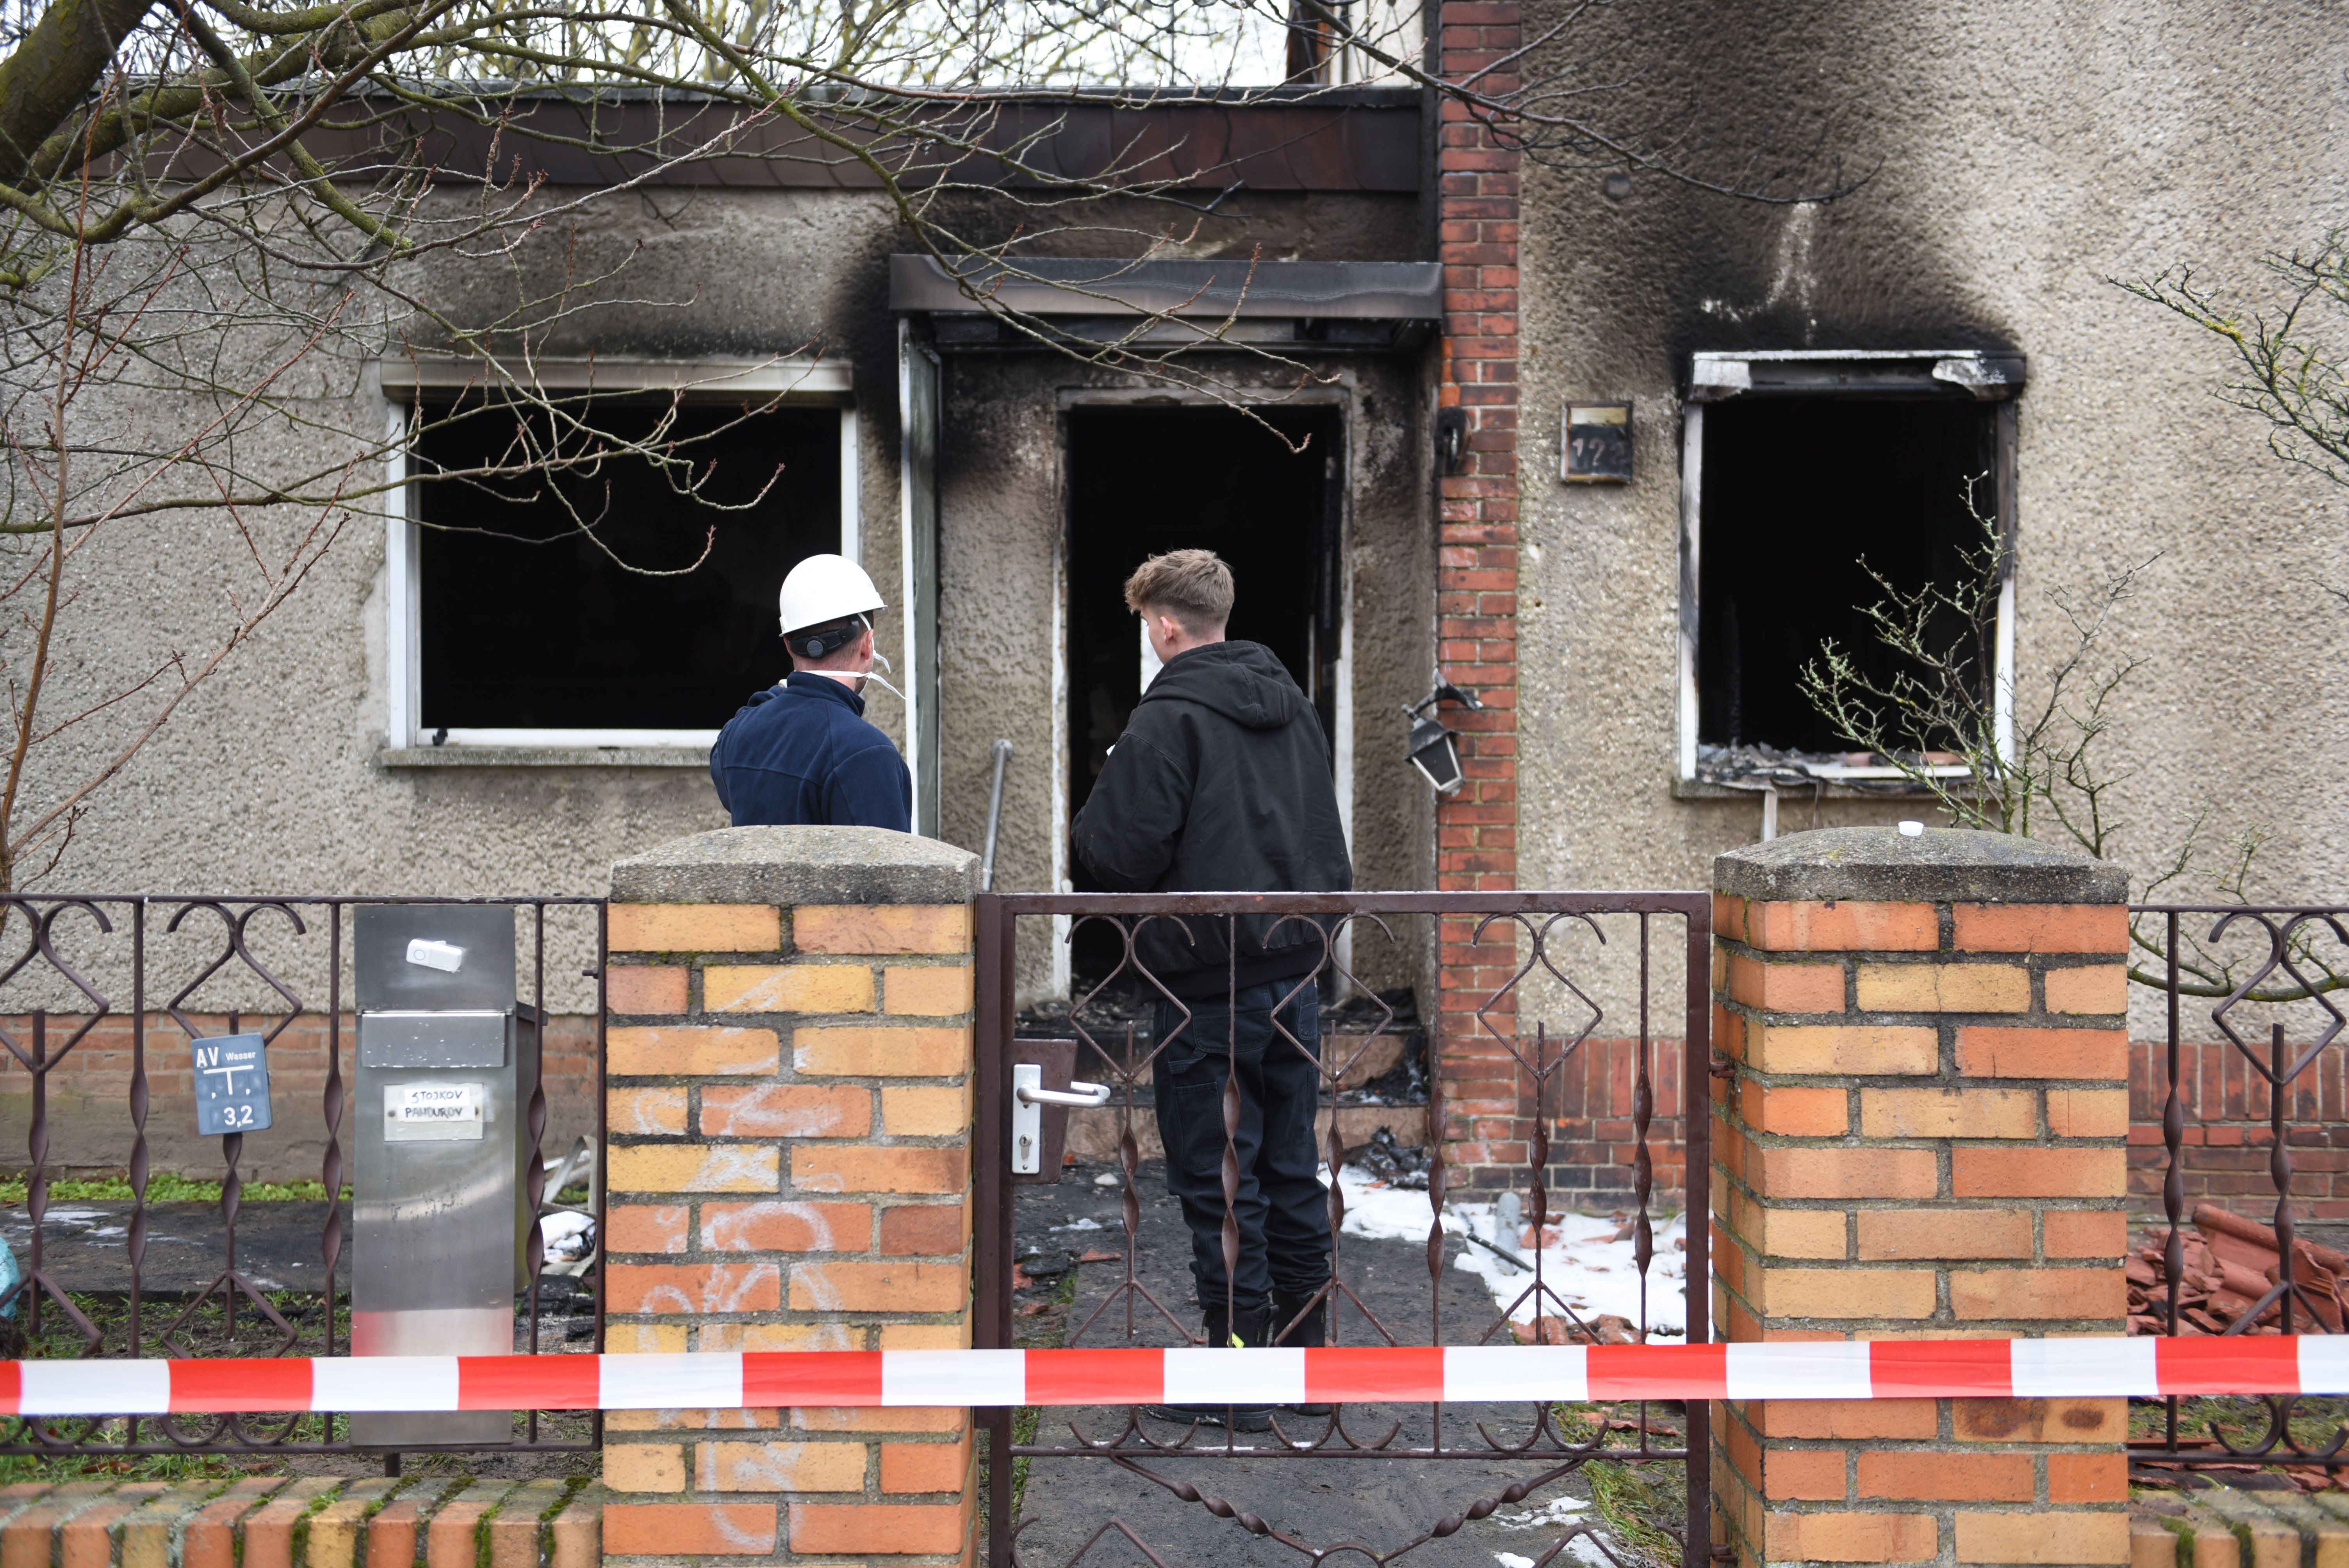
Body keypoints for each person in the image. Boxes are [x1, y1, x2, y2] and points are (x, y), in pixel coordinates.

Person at [1069, 548, 1352, 1429]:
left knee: (1220, 1183)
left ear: (1162, 625)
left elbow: (1110, 852)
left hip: (1205, 986)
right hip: (1292, 981)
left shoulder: (1165, 721)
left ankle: (1237, 1380)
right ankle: (1305, 1368)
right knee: (1289, 1166)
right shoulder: (1293, 707)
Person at [710, 554, 912, 830]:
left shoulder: (738, 737)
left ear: (789, 645)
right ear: (868, 646)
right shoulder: (869, 755)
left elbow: (737, 736)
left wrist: (787, 692)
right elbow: (889, 871)